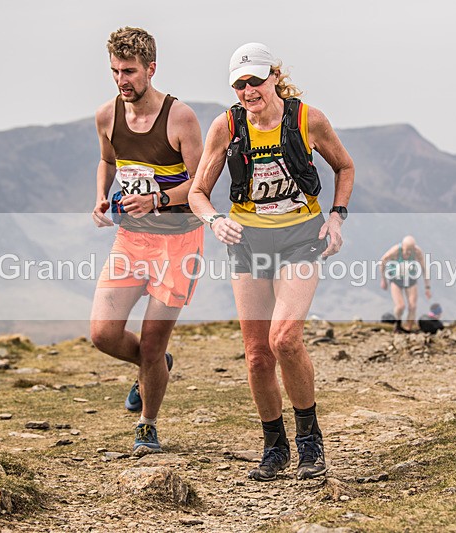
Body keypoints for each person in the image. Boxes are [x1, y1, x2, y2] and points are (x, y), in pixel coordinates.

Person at [189, 43, 354, 481]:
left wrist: (336, 219)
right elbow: (197, 192)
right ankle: (274, 445)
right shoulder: (226, 126)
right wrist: (213, 221)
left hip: (301, 237)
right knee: (258, 356)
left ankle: (309, 440)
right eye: (240, 84)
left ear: (274, 77)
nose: (248, 90)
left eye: (256, 80)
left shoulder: (308, 119)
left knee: (285, 339)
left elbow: (345, 167)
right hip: (247, 241)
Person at [89, 27, 204, 455]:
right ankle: (154, 367)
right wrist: (102, 195)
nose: (122, 80)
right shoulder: (106, 116)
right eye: (116, 71)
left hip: (179, 242)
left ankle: (147, 425)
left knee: (153, 342)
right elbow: (106, 159)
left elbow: (201, 186)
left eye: (131, 71)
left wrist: (157, 198)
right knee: (103, 334)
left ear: (151, 70)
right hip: (131, 240)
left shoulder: (181, 118)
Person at [379, 236, 431, 333]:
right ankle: (397, 324)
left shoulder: (417, 252)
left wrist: (427, 287)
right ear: (402, 246)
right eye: (407, 250)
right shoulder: (395, 251)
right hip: (396, 280)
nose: (408, 253)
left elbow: (424, 269)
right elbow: (382, 261)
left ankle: (408, 328)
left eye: (411, 251)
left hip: (411, 279)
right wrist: (383, 279)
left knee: (412, 306)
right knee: (400, 306)